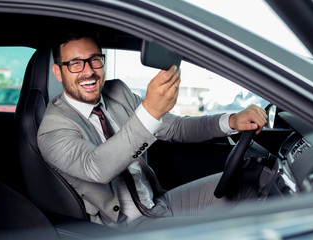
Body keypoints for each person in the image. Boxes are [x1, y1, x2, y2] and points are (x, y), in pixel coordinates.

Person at [37, 29, 267, 230]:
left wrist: (232, 120)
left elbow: (175, 127)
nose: (88, 72)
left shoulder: (117, 92)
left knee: (245, 187)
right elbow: (97, 167)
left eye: (94, 60)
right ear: (59, 72)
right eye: (75, 64)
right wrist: (149, 112)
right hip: (124, 228)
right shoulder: (53, 128)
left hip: (158, 203)